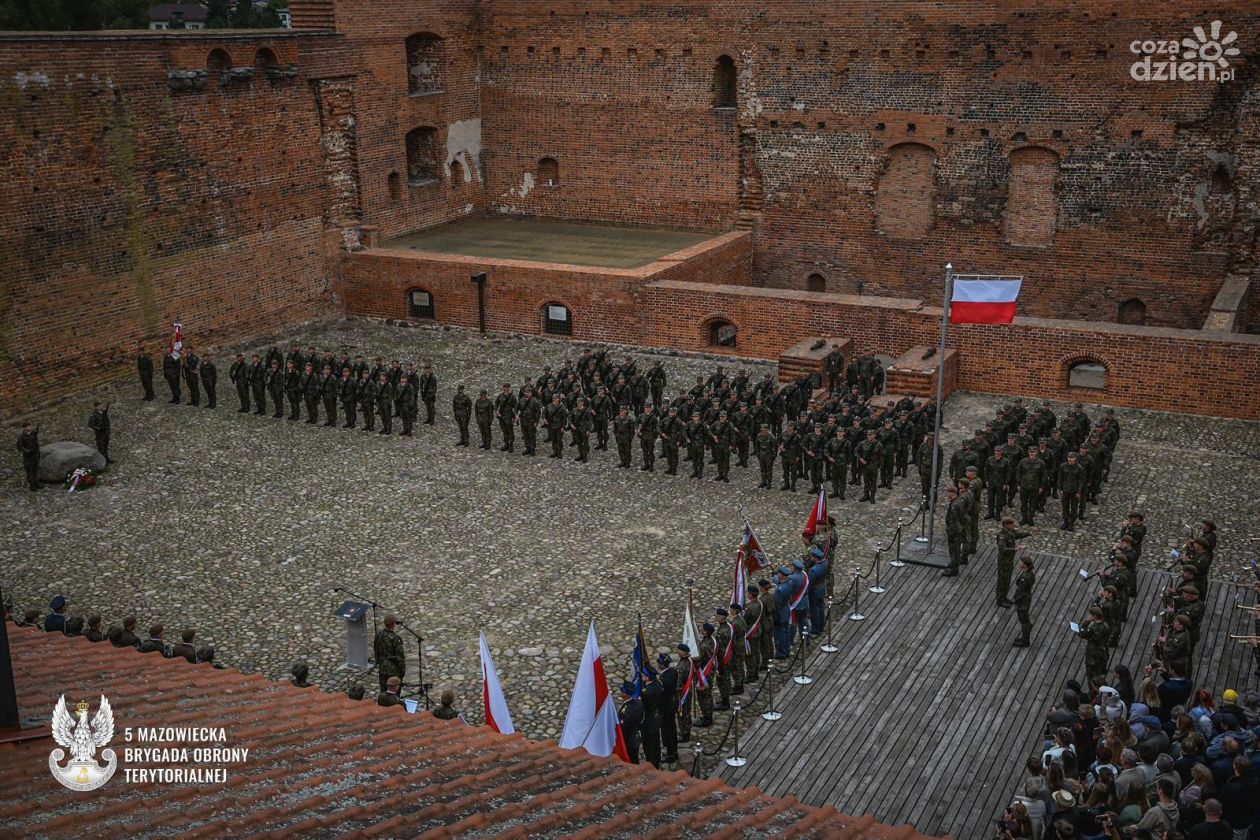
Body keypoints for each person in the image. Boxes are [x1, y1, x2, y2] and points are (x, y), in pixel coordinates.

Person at [996, 517, 1032, 607]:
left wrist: (1028, 533)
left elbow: (1018, 535)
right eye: (1011, 524)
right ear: (1005, 525)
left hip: (1009, 561)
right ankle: (1000, 600)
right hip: (1004, 561)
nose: (1013, 526)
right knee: (1002, 581)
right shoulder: (1002, 536)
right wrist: (1015, 549)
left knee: (1007, 580)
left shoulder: (1011, 532)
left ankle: (1004, 597)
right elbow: (1002, 549)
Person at [373, 614, 405, 693]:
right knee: (394, 692)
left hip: (383, 667)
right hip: (393, 669)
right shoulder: (395, 638)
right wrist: (402, 670)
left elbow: (376, 650)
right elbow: (400, 657)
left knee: (383, 690)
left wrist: (379, 661)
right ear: (394, 624)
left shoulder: (379, 635)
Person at [657, 653, 679, 767]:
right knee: (672, 730)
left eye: (658, 663)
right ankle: (673, 751)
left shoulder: (664, 679)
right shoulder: (673, 672)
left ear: (662, 665)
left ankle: (671, 753)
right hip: (671, 704)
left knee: (667, 731)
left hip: (666, 708)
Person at [640, 665, 663, 769]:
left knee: (649, 746)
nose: (641, 676)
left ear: (647, 677)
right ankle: (656, 762)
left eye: (643, 675)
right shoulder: (658, 684)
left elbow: (642, 706)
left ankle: (652, 766)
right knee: (656, 743)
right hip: (656, 716)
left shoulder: (646, 692)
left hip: (648, 721)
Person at [942, 486, 965, 577]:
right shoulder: (958, 501)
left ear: (953, 493)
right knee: (955, 550)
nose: (947, 494)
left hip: (954, 531)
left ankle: (954, 570)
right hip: (957, 529)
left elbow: (953, 520)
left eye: (949, 492)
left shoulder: (954, 506)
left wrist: (951, 532)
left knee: (954, 550)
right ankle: (954, 566)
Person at [618, 681, 643, 763]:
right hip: (636, 736)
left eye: (622, 690)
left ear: (626, 694)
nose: (620, 692)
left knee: (631, 760)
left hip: (629, 740)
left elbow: (624, 728)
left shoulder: (626, 711)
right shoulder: (638, 703)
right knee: (635, 757)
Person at [1012, 555, 1035, 648]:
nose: (1020, 563)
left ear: (1025, 565)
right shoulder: (1031, 574)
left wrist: (1016, 600)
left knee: (1023, 621)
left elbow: (1020, 592)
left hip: (1023, 602)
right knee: (1025, 619)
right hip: (1027, 599)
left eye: (1022, 562)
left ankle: (1025, 641)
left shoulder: (1024, 577)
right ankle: (1027, 629)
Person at [16, 422, 40, 491]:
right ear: (24, 428)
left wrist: (37, 452)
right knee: (30, 472)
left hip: (35, 455)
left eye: (30, 426)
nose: (30, 427)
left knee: (35, 470)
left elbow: (36, 443)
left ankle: (37, 483)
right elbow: (19, 447)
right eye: (28, 426)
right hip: (28, 457)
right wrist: (26, 450)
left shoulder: (33, 434)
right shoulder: (22, 437)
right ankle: (32, 486)